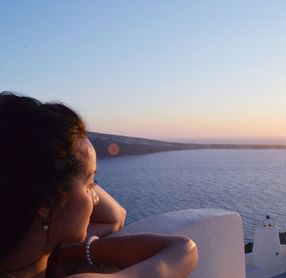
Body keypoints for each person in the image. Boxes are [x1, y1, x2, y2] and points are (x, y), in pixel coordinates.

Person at [0, 92, 198, 278]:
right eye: (90, 184)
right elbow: (185, 249)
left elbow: (114, 217)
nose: (95, 198)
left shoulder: (35, 256)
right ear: (48, 202)